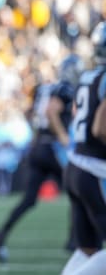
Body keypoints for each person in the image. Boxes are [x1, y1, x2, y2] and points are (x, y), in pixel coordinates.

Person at [0, 54, 83, 263]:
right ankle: (73, 242)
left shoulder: (44, 89)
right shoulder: (64, 90)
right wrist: (63, 137)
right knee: (77, 191)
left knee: (29, 199)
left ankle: (2, 233)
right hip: (52, 149)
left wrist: (35, 137)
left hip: (38, 147)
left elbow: (33, 113)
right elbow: (51, 111)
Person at [61, 23, 106, 275]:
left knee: (87, 248)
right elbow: (101, 127)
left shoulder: (89, 76)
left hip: (76, 166)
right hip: (95, 170)